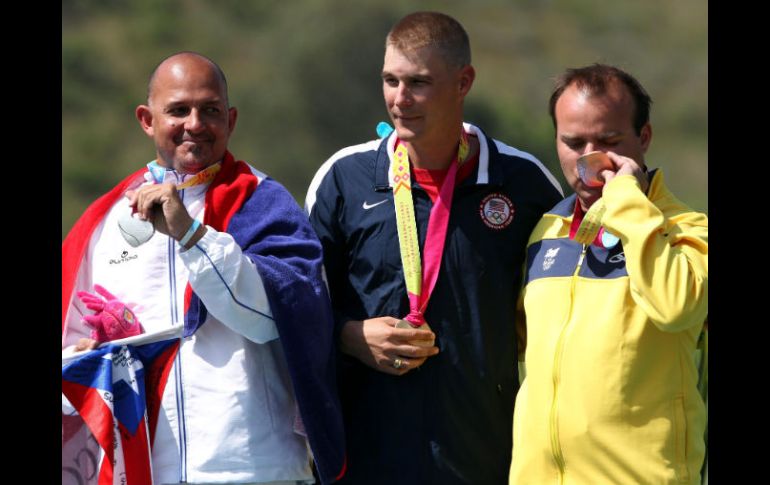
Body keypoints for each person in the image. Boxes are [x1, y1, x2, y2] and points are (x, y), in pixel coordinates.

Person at [61, 52, 346, 485]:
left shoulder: (264, 203)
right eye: (178, 110)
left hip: (251, 469)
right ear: (146, 119)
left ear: (230, 120)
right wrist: (84, 360)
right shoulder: (101, 225)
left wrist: (192, 235)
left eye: (210, 110)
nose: (195, 123)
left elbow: (276, 318)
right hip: (141, 469)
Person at [305, 12, 563, 485]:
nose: (399, 100)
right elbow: (301, 307)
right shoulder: (343, 178)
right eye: (390, 80)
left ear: (463, 82)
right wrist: (349, 335)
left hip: (486, 459)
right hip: (365, 460)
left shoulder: (524, 183)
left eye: (419, 83)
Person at [508, 64, 708, 484]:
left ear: (645, 138)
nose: (591, 159)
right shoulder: (546, 231)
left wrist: (625, 199)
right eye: (573, 142)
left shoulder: (690, 229)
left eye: (609, 141)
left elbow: (675, 309)